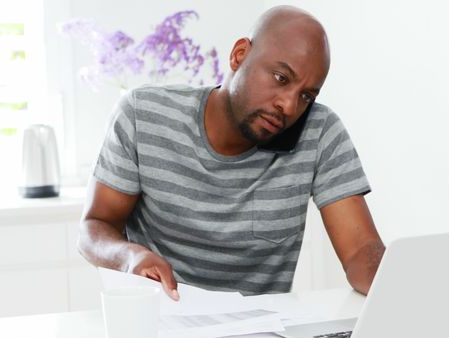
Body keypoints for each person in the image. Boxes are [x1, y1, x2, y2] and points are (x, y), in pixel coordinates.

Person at [78, 5, 385, 301]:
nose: (290, 107)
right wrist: (129, 258)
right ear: (240, 55)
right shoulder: (142, 115)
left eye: (306, 95)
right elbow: (94, 228)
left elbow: (361, 251)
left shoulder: (319, 132)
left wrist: (397, 284)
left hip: (263, 328)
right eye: (281, 78)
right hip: (163, 322)